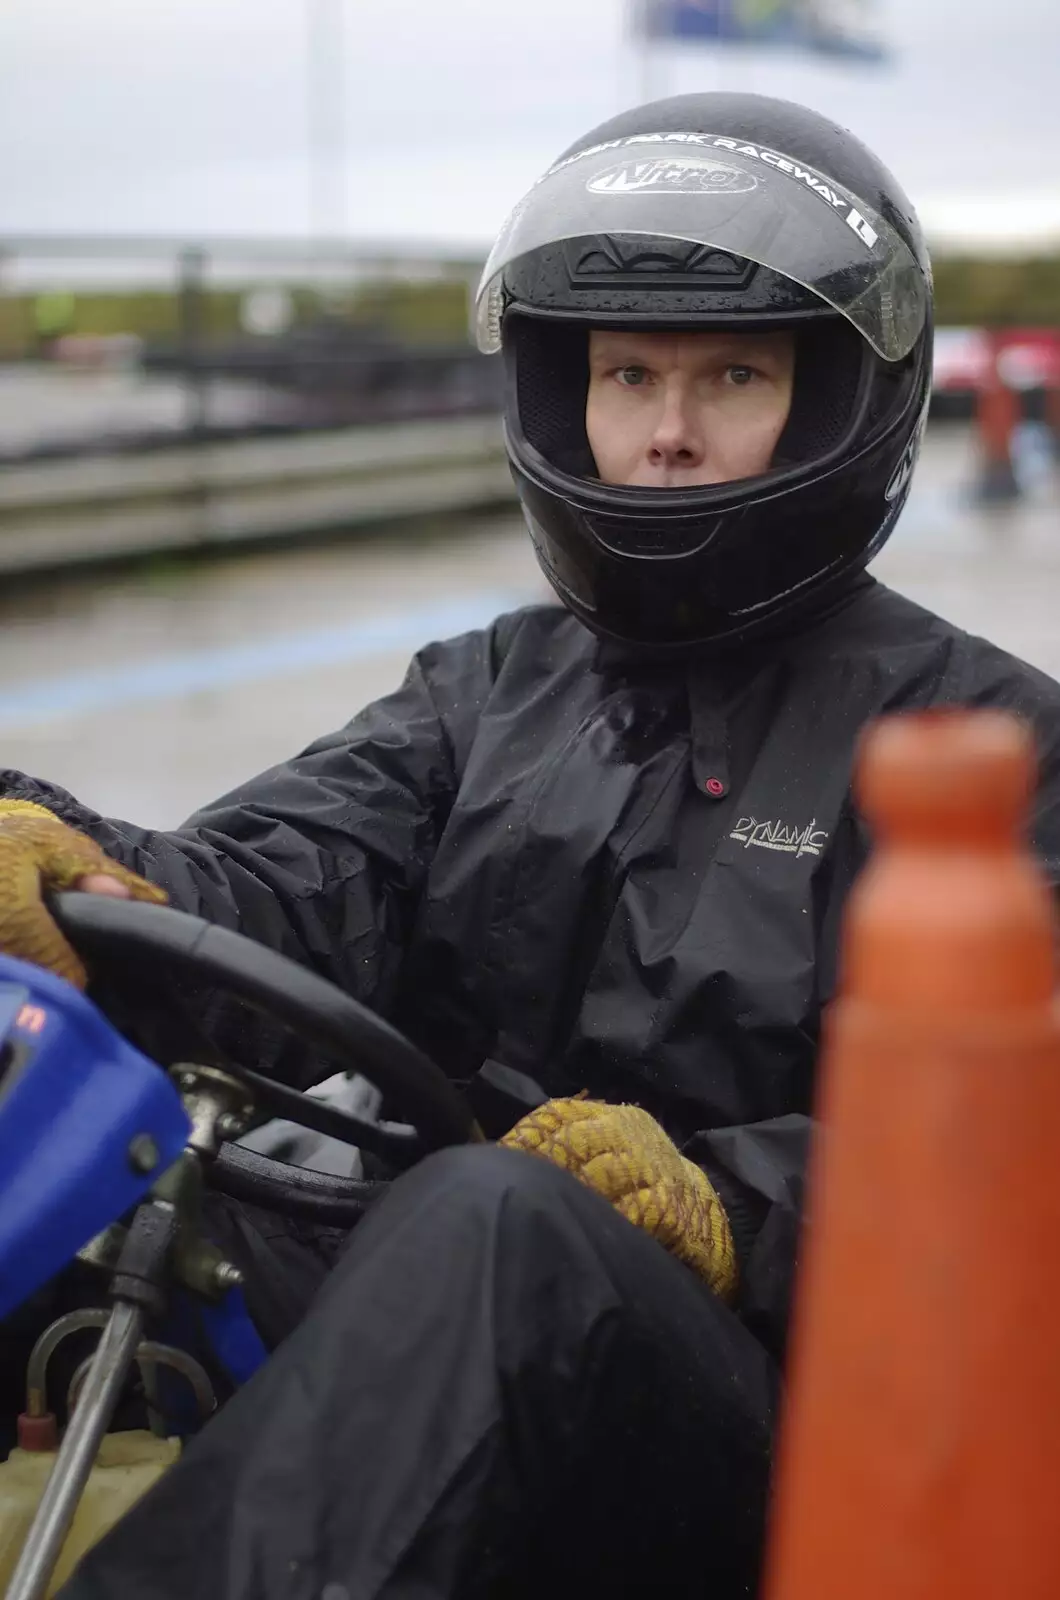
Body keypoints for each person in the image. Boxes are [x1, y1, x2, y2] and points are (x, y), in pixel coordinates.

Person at [4, 92, 1060, 1599]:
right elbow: (270, 891)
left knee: (504, 1214)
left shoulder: (994, 749)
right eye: (629, 373)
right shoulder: (488, 690)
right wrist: (72, 864)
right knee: (60, 1123)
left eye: (734, 377)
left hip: (782, 1412)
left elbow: (1024, 1150)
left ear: (838, 400)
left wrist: (722, 1205)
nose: (669, 434)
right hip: (437, 1316)